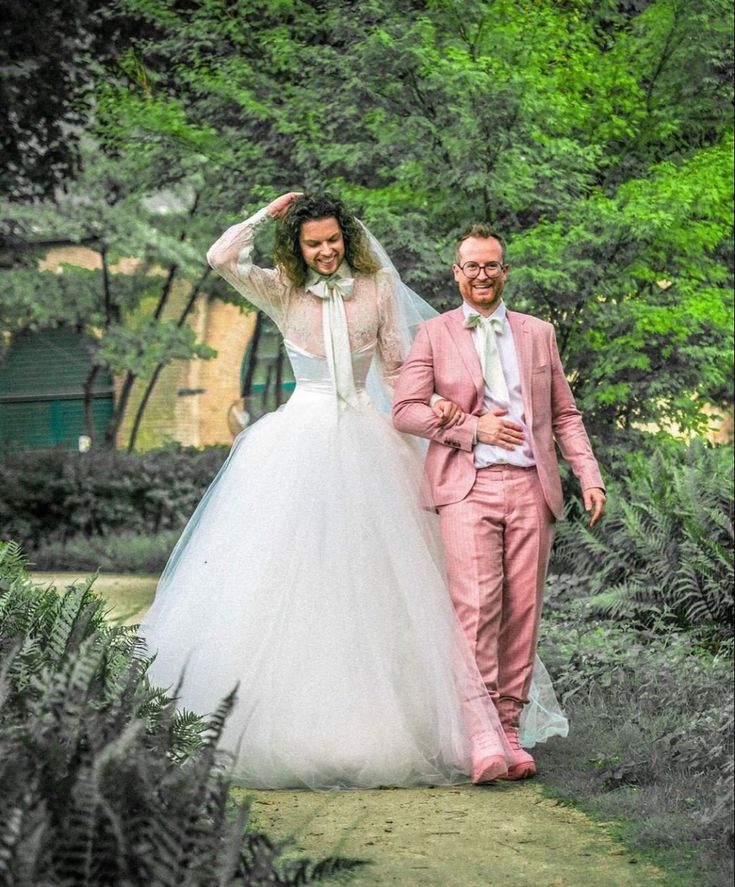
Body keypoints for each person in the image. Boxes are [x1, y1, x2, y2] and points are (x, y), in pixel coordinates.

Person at [141, 192, 516, 790]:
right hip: (299, 440)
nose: (323, 252)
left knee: (378, 576)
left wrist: (436, 407)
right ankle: (292, 722)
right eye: (312, 243)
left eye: (332, 241)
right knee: (295, 575)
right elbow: (219, 257)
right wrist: (267, 213)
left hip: (371, 436)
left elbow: (397, 370)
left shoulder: (375, 288)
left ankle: (399, 724)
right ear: (297, 245)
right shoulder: (279, 289)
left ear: (347, 238)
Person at [393, 223, 606, 780]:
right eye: (472, 266)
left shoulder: (538, 333)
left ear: (504, 271)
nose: (481, 275)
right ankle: (480, 732)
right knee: (476, 608)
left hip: (534, 489)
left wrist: (589, 475)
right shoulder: (434, 334)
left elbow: (564, 414)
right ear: (456, 273)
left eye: (491, 266)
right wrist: (471, 428)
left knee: (522, 612)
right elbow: (406, 410)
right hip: (468, 488)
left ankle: (509, 729)